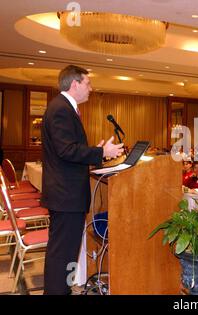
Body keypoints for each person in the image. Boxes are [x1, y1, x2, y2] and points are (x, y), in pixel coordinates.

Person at [41, 65, 124, 295]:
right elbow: (66, 150)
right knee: (63, 254)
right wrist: (100, 154)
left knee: (64, 252)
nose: (91, 87)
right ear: (74, 84)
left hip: (65, 195)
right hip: (66, 196)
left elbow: (68, 150)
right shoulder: (61, 109)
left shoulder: (64, 108)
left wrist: (94, 151)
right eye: (87, 83)